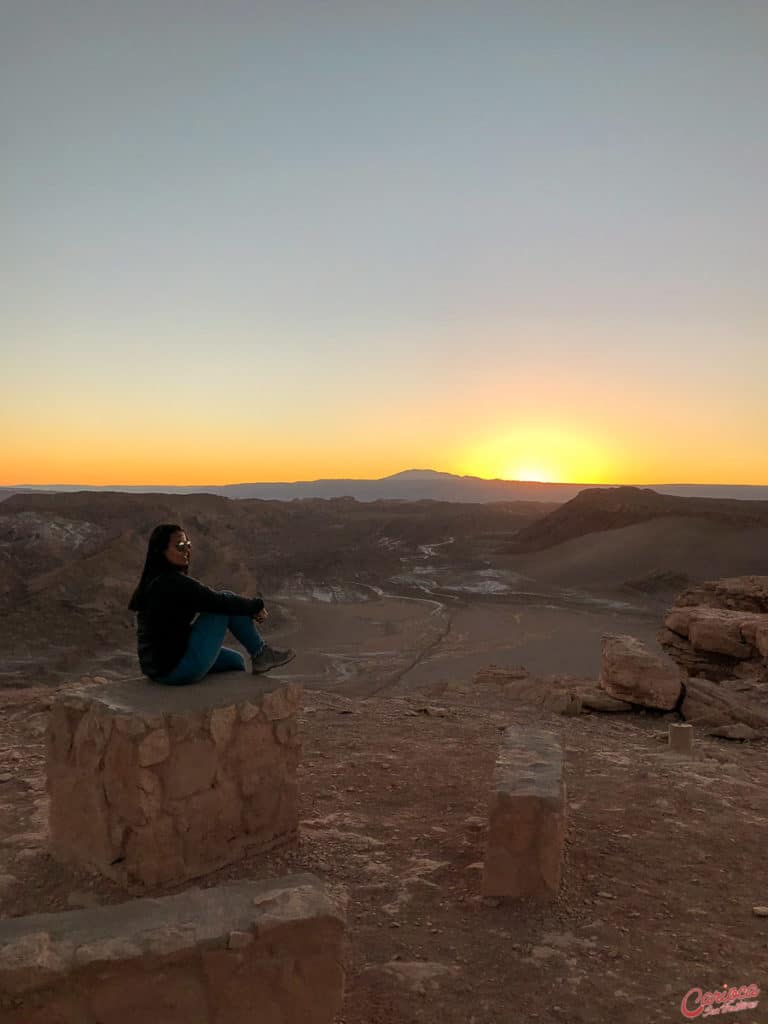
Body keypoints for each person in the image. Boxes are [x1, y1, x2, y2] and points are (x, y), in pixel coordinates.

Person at [128, 523, 295, 685]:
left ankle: (256, 660)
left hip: (157, 670)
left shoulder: (152, 581)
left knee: (236, 661)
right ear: (161, 551)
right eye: (179, 546)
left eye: (188, 544)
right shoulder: (172, 582)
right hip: (176, 668)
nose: (186, 550)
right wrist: (256, 605)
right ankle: (261, 653)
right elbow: (218, 601)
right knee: (225, 601)